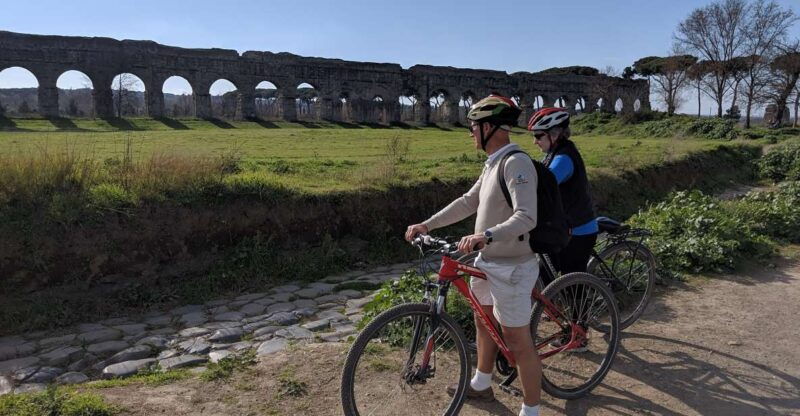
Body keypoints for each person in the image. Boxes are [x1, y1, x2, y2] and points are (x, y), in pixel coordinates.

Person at [405, 95, 543, 416]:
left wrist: (486, 235)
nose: (470, 133)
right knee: (483, 322)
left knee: (518, 342)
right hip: (488, 263)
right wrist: (427, 223)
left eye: (473, 127)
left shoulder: (516, 163)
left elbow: (527, 217)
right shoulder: (493, 163)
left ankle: (532, 410)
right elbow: (468, 202)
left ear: (489, 127)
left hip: (512, 267)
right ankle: (481, 384)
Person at [527, 107, 598, 281]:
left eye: (538, 136)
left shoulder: (563, 159)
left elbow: (540, 189)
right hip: (564, 227)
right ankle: (552, 307)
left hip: (578, 231)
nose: (534, 142)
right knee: (545, 276)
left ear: (555, 133)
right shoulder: (553, 153)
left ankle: (580, 308)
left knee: (572, 288)